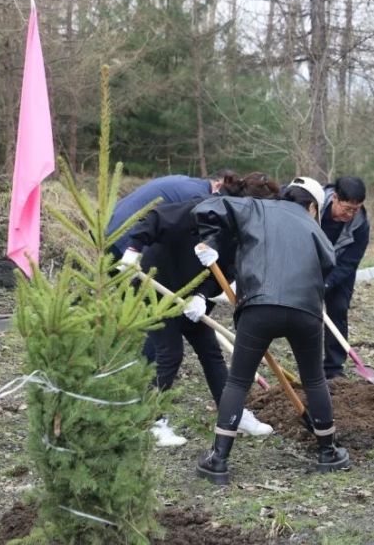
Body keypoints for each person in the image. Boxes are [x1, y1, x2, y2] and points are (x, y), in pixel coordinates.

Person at [192, 177, 350, 484]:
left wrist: (210, 242)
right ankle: (328, 451)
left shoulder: (255, 207)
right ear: (313, 207)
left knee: (238, 380)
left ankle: (218, 460)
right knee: (314, 378)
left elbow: (208, 206)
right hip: (306, 311)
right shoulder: (313, 227)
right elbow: (329, 262)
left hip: (259, 306)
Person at [117, 172, 277, 446]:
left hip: (190, 294)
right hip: (157, 286)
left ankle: (233, 414)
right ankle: (151, 421)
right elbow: (155, 218)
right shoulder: (202, 209)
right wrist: (133, 250)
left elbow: (224, 271)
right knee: (169, 354)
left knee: (211, 353)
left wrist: (203, 296)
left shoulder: (242, 229)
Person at [107, 170, 232, 260]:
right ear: (218, 185)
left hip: (111, 224)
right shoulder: (198, 197)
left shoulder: (188, 182)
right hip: (125, 237)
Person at [318, 177, 370, 379]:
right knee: (305, 314)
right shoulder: (315, 206)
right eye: (347, 208)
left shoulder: (361, 225)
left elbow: (350, 262)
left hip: (339, 268)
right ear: (335, 198)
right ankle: (310, 365)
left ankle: (333, 368)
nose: (350, 214)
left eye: (355, 209)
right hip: (308, 262)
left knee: (338, 309)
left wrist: (327, 283)